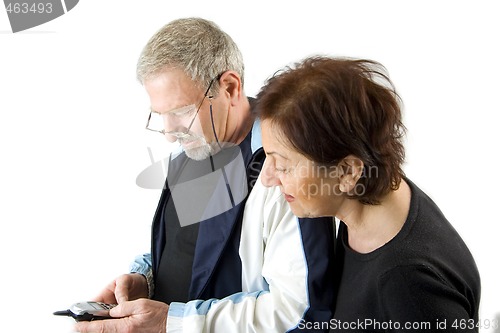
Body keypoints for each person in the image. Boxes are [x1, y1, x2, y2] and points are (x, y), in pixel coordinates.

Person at [74, 18, 335, 333]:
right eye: (162, 115)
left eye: (182, 111)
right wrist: (145, 278)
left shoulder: (283, 171)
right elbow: (185, 250)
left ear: (230, 87)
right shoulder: (192, 149)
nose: (170, 135)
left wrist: (172, 322)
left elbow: (300, 311)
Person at [256, 56, 481, 332]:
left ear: (348, 172)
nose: (267, 179)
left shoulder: (408, 285)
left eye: (283, 165)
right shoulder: (382, 198)